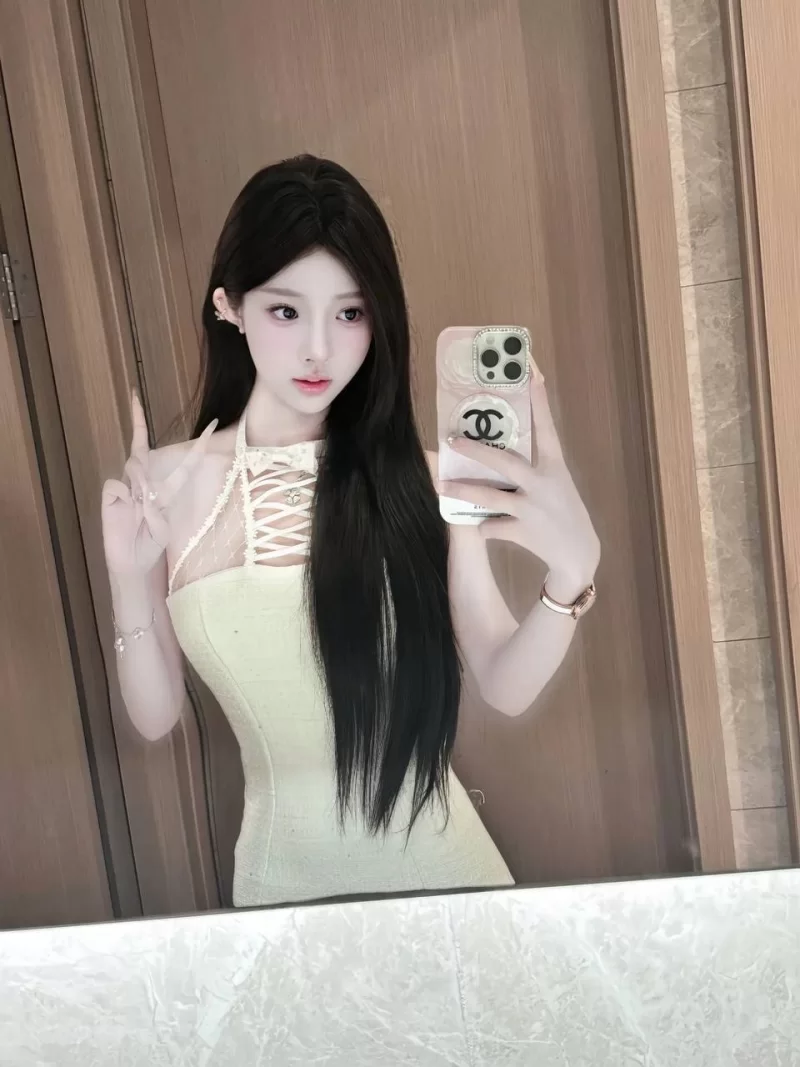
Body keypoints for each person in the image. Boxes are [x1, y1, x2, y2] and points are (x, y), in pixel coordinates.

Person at [101, 155, 600, 908]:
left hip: (451, 890)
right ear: (229, 306)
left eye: (350, 313)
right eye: (286, 311)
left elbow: (504, 682)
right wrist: (126, 578)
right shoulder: (166, 485)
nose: (319, 349)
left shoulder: (428, 481)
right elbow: (154, 715)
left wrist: (571, 577)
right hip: (279, 894)